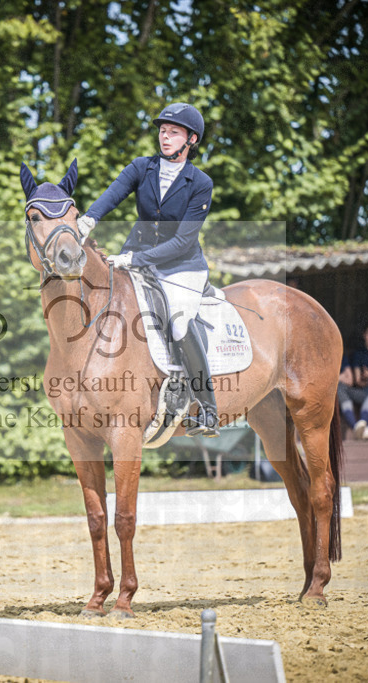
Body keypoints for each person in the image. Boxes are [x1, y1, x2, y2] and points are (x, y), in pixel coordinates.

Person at [75, 102, 216, 436]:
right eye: (162, 131)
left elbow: (183, 242)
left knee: (179, 322)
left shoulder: (201, 183)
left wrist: (135, 260)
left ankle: (208, 410)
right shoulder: (142, 167)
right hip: (135, 256)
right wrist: (87, 221)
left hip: (182, 267)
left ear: (191, 140)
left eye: (174, 132)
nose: (165, 137)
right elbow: (113, 195)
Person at [338, 356, 368, 439]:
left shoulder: (340, 355)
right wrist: (341, 377)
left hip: (346, 388)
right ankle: (357, 429)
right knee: (340, 390)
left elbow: (350, 380)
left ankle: (363, 425)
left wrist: (335, 378)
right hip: (333, 392)